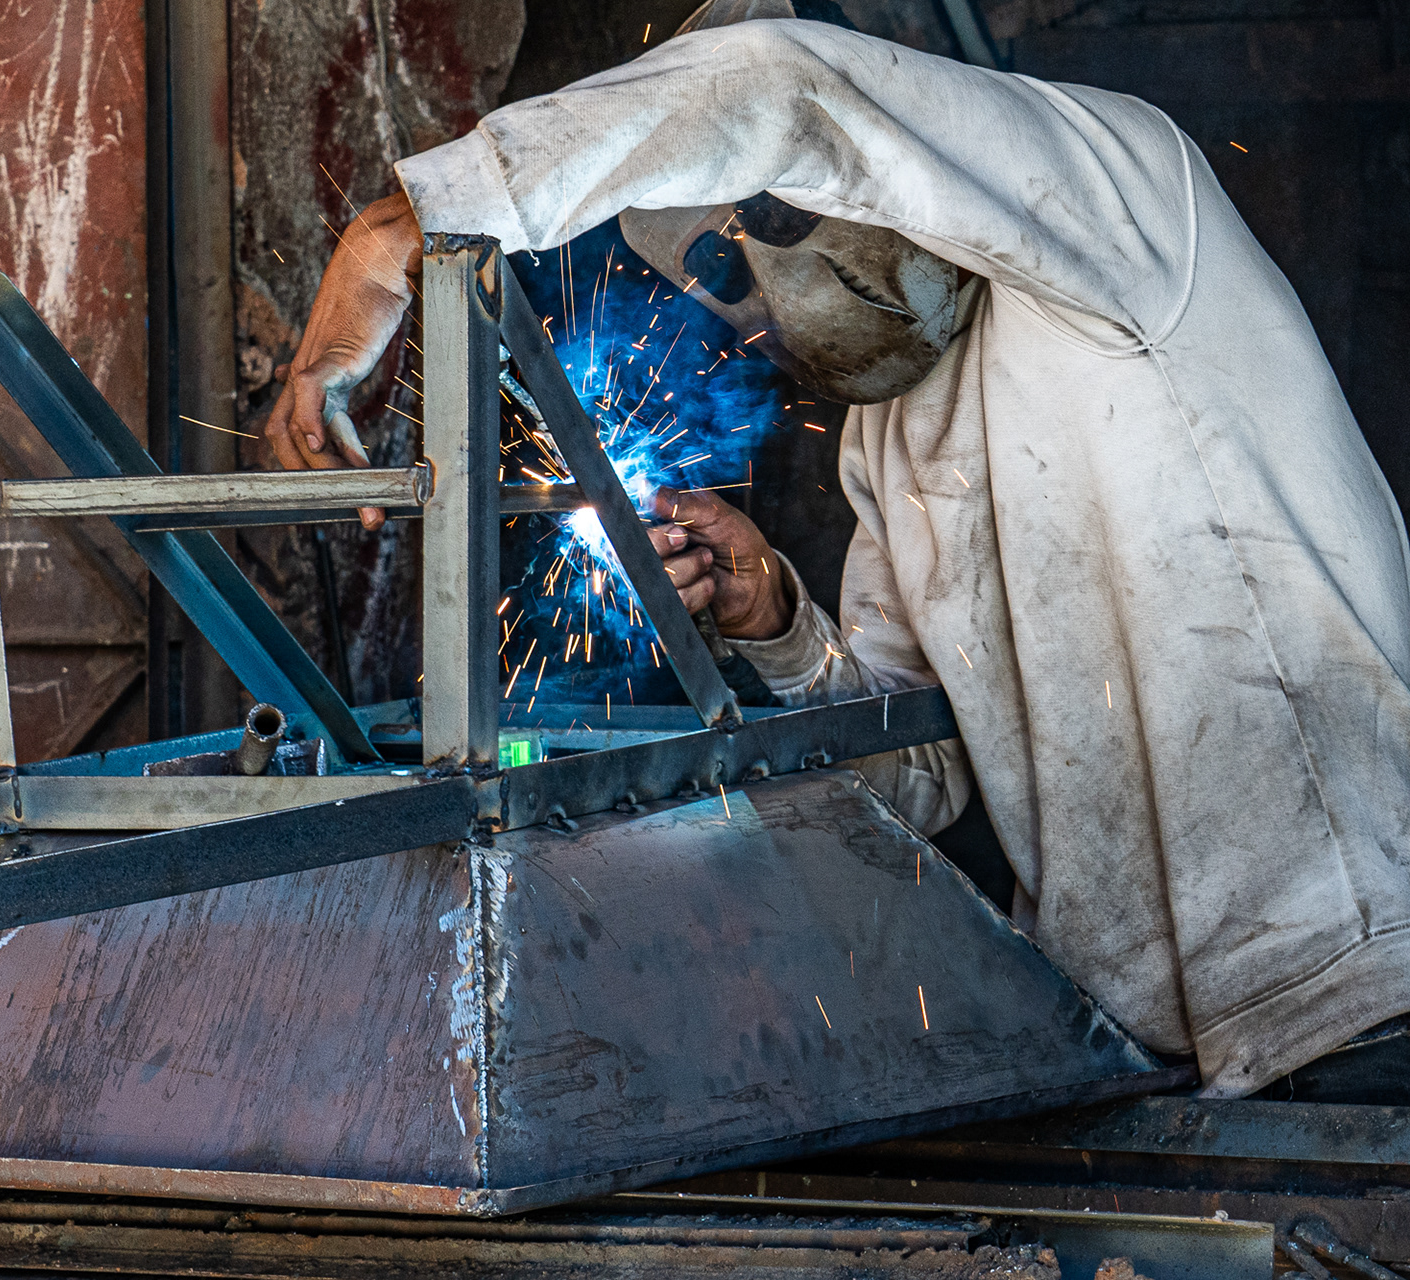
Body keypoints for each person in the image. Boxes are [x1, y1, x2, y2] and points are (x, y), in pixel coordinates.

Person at [261, 0, 1410, 1098]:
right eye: (726, 288)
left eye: (751, 247)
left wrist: (400, 228)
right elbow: (918, 770)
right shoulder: (885, 438)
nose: (756, 311)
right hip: (1140, 1042)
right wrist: (773, 620)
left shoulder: (1128, 201)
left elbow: (782, 80)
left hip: (1361, 990)